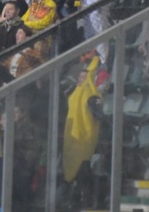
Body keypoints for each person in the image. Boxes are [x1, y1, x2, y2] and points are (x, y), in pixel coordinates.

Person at [63, 56, 102, 198]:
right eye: (80, 77)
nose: (81, 80)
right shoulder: (74, 93)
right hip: (72, 138)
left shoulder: (92, 96)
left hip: (85, 139)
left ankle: (85, 197)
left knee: (83, 168)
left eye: (84, 77)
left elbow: (98, 115)